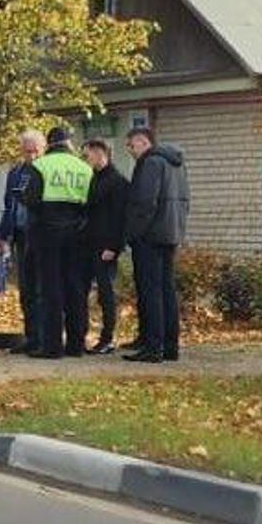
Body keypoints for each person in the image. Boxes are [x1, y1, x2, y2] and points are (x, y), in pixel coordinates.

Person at [23, 126, 93, 359]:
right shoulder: (84, 167)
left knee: (50, 288)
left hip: (47, 231)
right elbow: (91, 202)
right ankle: (76, 344)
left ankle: (52, 345)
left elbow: (30, 198)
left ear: (49, 143)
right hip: (78, 232)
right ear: (69, 143)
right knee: (75, 287)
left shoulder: (40, 165)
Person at [122, 127, 190, 364]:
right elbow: (184, 200)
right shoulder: (176, 164)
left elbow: (144, 203)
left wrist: (132, 234)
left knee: (150, 291)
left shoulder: (150, 163)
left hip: (150, 236)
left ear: (142, 142)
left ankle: (152, 347)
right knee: (166, 290)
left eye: (130, 146)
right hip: (171, 233)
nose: (129, 151)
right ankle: (170, 346)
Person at [0, 129, 45, 355]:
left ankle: (44, 337)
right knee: (26, 290)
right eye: (27, 151)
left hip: (41, 236)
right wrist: (1, 235)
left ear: (42, 150)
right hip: (21, 236)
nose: (31, 155)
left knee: (41, 289)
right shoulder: (15, 173)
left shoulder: (45, 171)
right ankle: (31, 336)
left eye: (35, 151)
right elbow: (9, 206)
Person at [81, 139, 128, 355]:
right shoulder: (95, 179)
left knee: (105, 293)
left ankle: (107, 338)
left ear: (100, 153)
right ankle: (84, 335)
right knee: (89, 291)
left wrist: (114, 246)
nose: (86, 159)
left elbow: (120, 218)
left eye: (87, 154)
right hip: (91, 244)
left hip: (105, 247)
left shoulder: (116, 182)